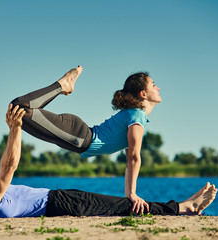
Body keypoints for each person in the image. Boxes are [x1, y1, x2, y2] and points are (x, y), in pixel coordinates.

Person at [0, 104, 218, 220]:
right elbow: (8, 166)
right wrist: (15, 129)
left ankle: (181, 207)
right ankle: (183, 207)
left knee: (117, 206)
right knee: (121, 205)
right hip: (60, 202)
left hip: (57, 203)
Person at [10, 65, 161, 214]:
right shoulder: (137, 115)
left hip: (77, 139)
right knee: (19, 108)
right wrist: (132, 195)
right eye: (153, 85)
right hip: (79, 135)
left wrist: (130, 194)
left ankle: (62, 86)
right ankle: (61, 85)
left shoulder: (134, 115)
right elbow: (134, 157)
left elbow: (131, 158)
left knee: (18, 115)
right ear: (143, 94)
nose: (158, 88)